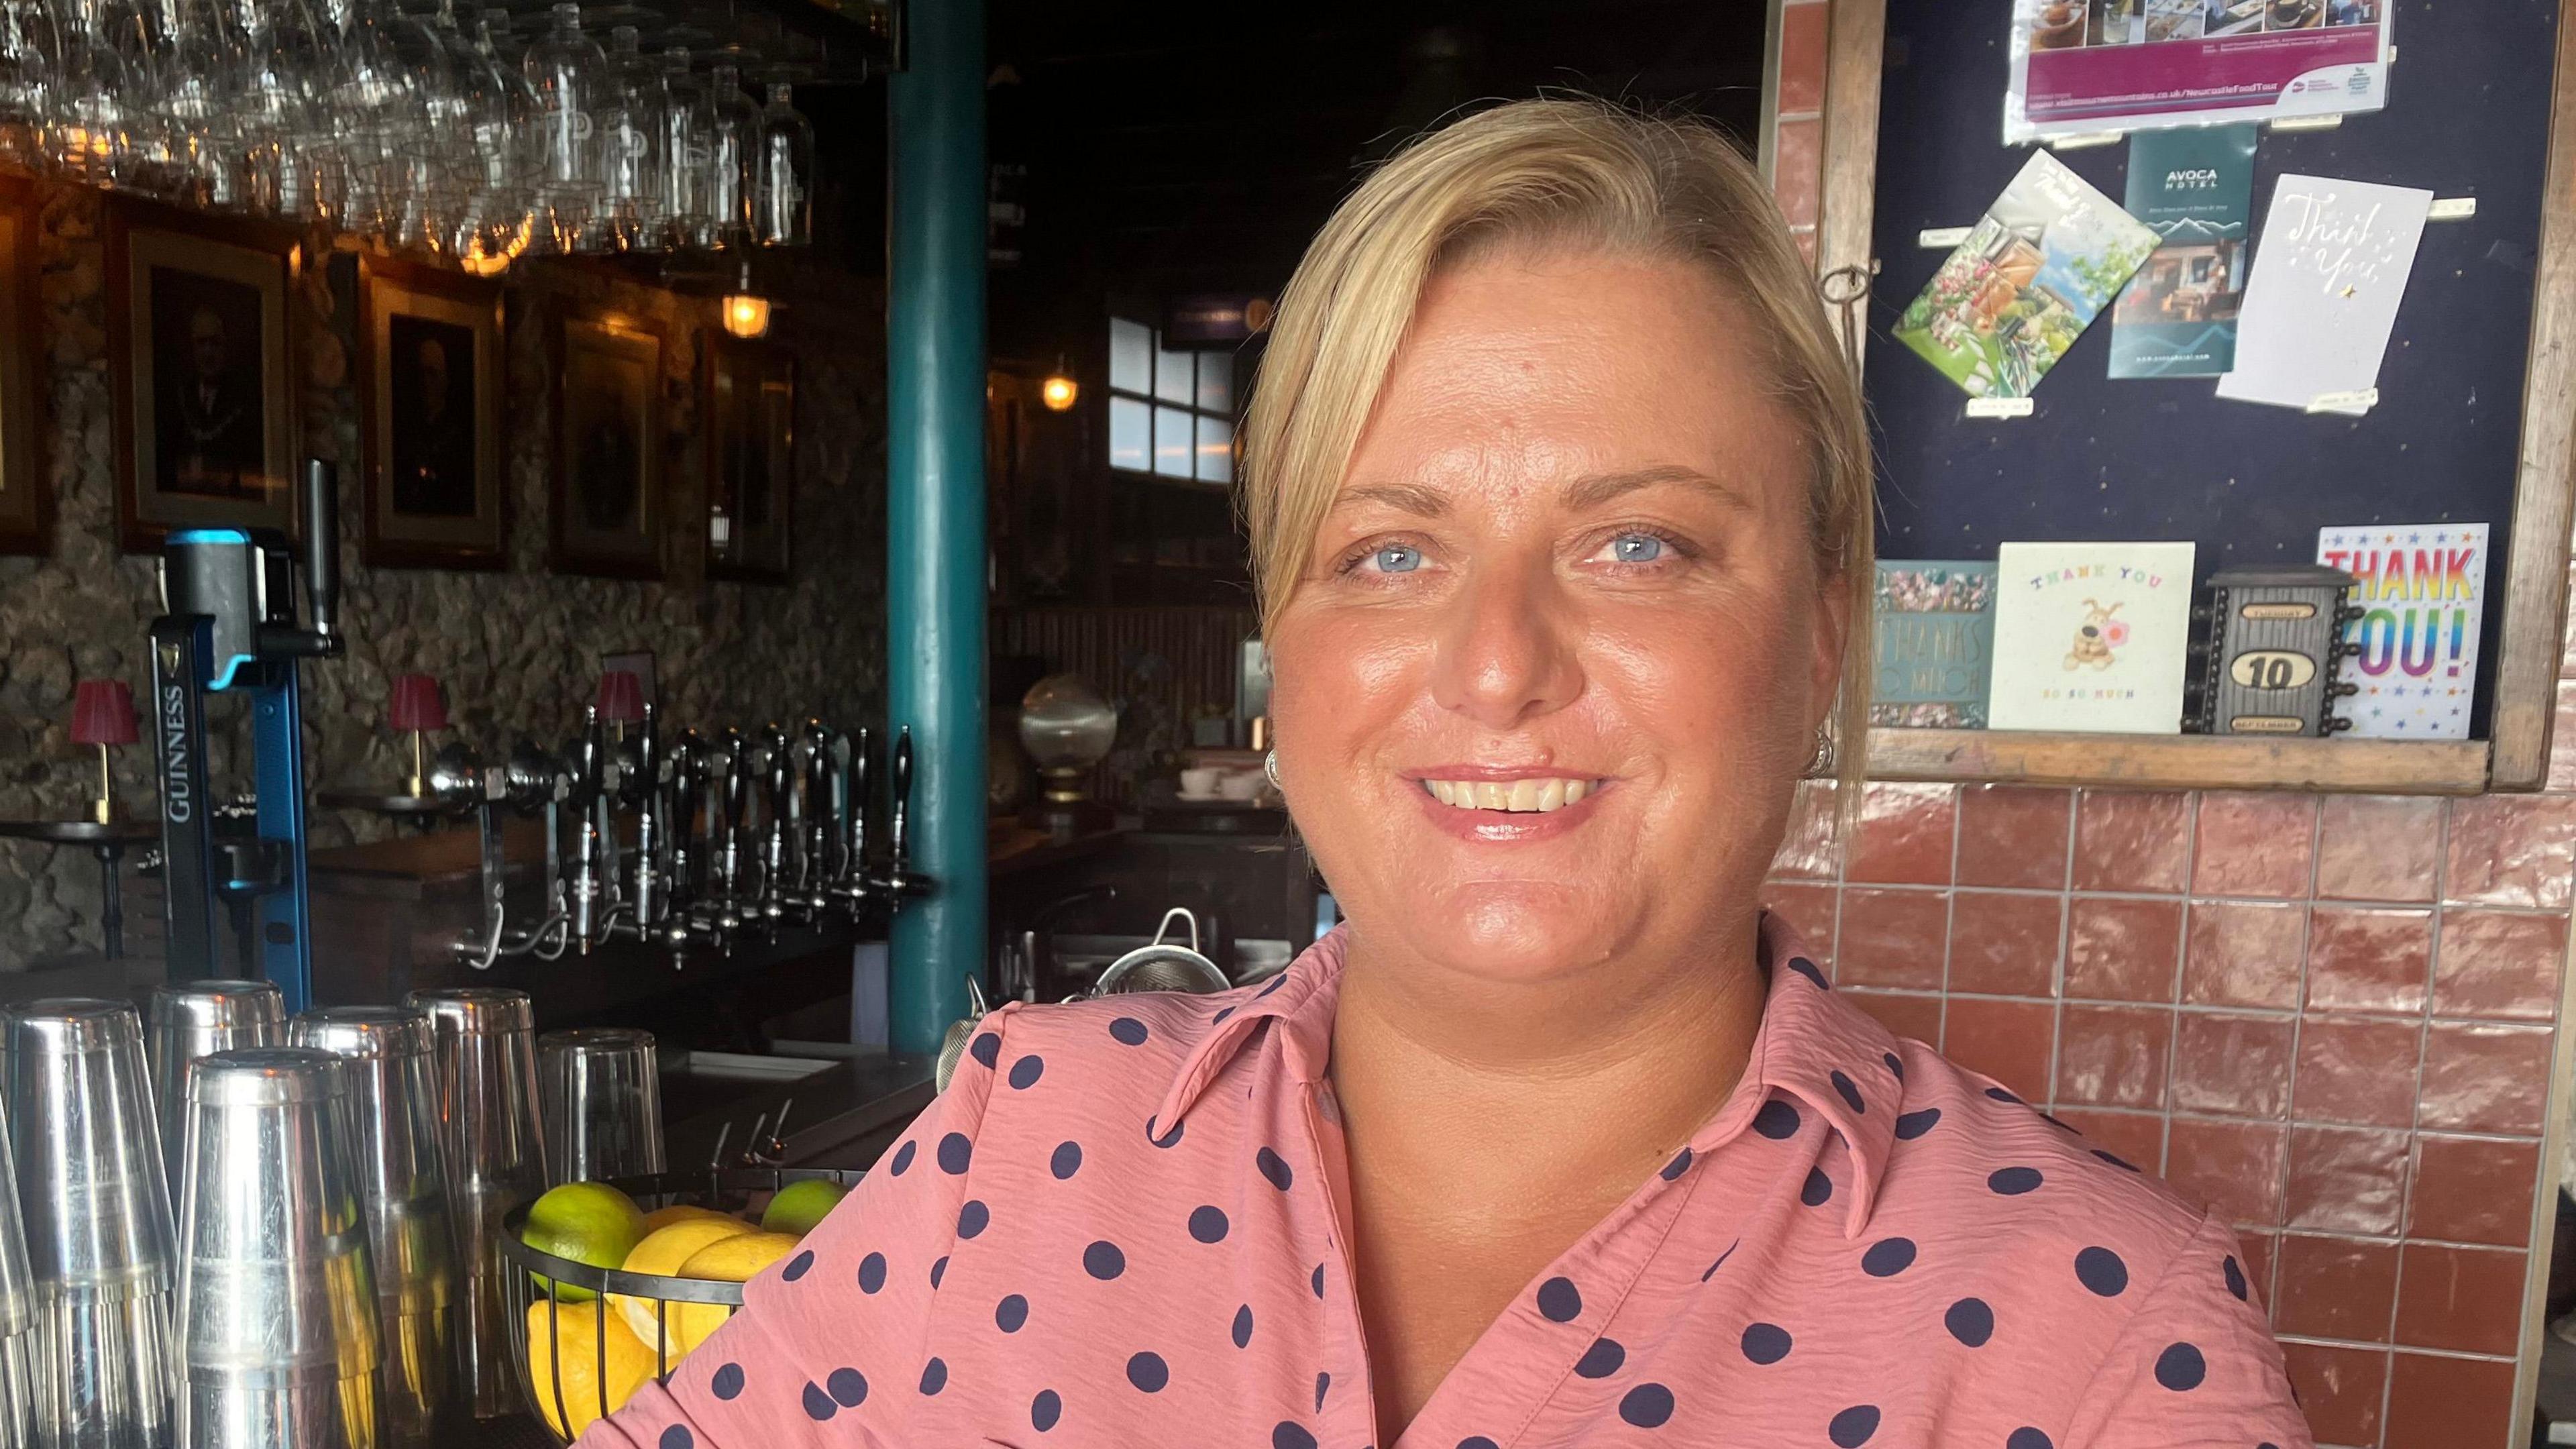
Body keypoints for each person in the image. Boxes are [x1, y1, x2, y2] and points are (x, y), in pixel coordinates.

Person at [580, 99, 2309, 1449]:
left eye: (1638, 543)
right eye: (1388, 554)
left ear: (1823, 644)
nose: (1495, 663)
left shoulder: (2095, 1339)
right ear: (1284, 649)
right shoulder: (1023, 1135)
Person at [164, 301, 263, 499]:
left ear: (226, 347)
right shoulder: (178, 399)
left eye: (215, 343)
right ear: (192, 348)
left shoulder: (244, 400)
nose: (208, 352)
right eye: (202, 343)